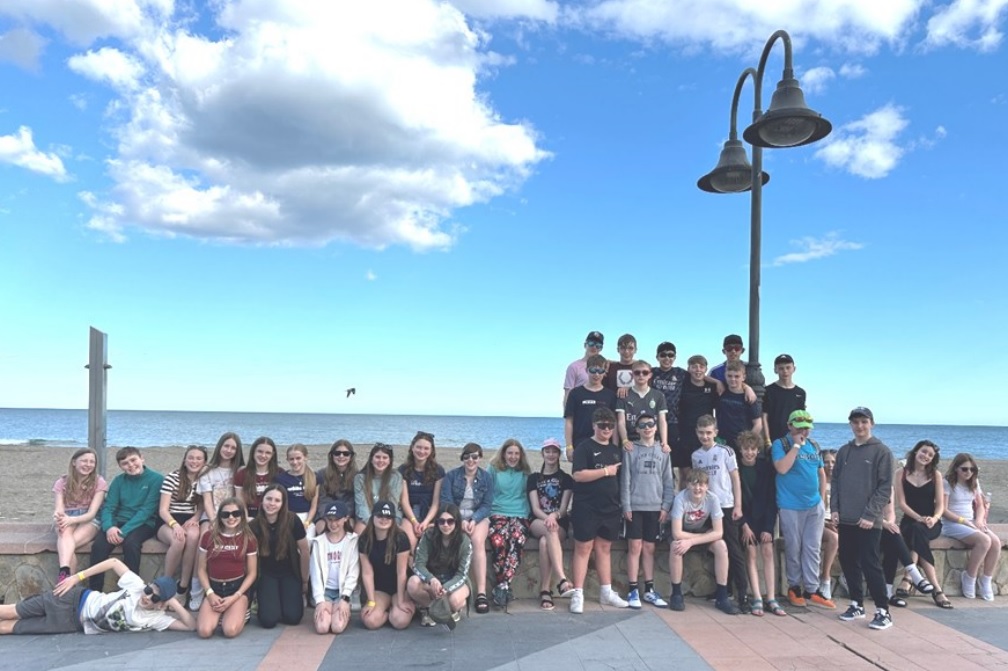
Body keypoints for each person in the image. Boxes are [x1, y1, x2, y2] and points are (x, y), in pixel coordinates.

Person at [0, 558, 195, 635]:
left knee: (9, 628)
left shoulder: (156, 619)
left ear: (161, 604)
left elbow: (190, 626)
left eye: (155, 598)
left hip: (72, 623)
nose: (147, 597)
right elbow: (113, 562)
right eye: (149, 590)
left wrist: (173, 602)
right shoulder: (136, 585)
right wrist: (77, 577)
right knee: (11, 611)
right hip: (73, 599)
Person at [831, 407, 894, 631]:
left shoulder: (882, 452)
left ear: (872, 424)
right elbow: (835, 482)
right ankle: (856, 604)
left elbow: (885, 488)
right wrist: (835, 509)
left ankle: (883, 611)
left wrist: (870, 514)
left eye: (864, 422)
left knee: (870, 564)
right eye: (855, 422)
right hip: (845, 518)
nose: (860, 426)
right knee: (848, 560)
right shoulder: (844, 451)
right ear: (851, 424)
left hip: (868, 521)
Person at [569, 406, 629, 613]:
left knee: (604, 548)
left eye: (610, 426)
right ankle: (578, 593)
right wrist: (605, 471)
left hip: (610, 508)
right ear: (594, 425)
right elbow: (578, 475)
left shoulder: (615, 451)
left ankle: (606, 592)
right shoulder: (584, 447)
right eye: (602, 425)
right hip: (586, 507)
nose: (606, 429)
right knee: (583, 548)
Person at [771, 410, 833, 609]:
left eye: (807, 428)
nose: (803, 431)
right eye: (799, 427)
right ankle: (794, 587)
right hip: (790, 505)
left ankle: (812, 589)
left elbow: (821, 472)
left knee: (812, 547)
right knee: (794, 547)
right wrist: (796, 446)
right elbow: (781, 468)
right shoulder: (781, 444)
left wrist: (821, 500)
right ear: (790, 426)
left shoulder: (814, 445)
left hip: (813, 505)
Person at [691, 415, 746, 613]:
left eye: (708, 433)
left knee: (734, 549)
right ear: (697, 433)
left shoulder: (725, 451)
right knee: (717, 549)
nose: (705, 436)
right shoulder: (696, 455)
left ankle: (743, 594)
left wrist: (738, 505)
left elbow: (735, 478)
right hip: (707, 508)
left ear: (715, 432)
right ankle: (724, 589)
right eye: (701, 433)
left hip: (726, 505)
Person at [89, 447, 163, 591]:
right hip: (118, 521)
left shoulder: (156, 479)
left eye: (133, 460)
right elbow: (109, 507)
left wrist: (123, 532)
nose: (131, 465)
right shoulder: (119, 481)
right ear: (120, 466)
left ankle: (131, 591)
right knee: (99, 546)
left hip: (144, 523)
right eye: (125, 463)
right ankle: (95, 591)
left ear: (142, 458)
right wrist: (109, 527)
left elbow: (146, 511)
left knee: (131, 544)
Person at [621, 412, 675, 609]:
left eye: (650, 424)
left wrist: (666, 506)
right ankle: (633, 589)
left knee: (649, 548)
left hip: (655, 507)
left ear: (656, 427)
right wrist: (626, 505)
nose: (647, 428)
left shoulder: (664, 451)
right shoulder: (630, 450)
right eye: (642, 425)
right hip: (635, 506)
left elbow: (668, 481)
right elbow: (625, 480)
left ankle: (649, 589)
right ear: (637, 429)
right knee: (634, 547)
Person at [666, 470, 735, 614]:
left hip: (699, 531)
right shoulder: (680, 499)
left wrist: (691, 542)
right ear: (687, 485)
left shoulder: (713, 499)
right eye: (694, 484)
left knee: (721, 546)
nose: (697, 488)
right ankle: (676, 594)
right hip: (683, 530)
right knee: (676, 546)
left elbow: (719, 532)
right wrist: (696, 538)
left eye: (701, 485)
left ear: (707, 486)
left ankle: (722, 596)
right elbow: (676, 533)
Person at [894, 440, 950, 608]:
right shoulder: (900, 473)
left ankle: (908, 578)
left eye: (930, 455)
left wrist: (935, 518)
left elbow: (940, 505)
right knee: (916, 530)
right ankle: (937, 589)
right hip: (910, 521)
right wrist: (918, 517)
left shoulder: (935, 475)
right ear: (916, 451)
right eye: (924, 451)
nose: (926, 456)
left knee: (918, 532)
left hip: (932, 523)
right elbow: (901, 503)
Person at [440, 442, 494, 613]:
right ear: (462, 458)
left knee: (477, 541)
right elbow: (446, 501)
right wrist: (459, 520)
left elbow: (487, 505)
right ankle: (449, 586)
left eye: (474, 457)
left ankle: (481, 593)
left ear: (480, 458)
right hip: (455, 516)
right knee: (450, 539)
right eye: (467, 457)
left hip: (478, 517)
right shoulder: (451, 476)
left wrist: (474, 520)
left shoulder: (486, 478)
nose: (471, 460)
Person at [192, 431, 244, 611]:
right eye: (226, 446)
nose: (229, 450)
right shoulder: (208, 471)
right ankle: (197, 589)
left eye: (233, 448)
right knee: (204, 539)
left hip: (234, 516)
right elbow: (207, 500)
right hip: (212, 515)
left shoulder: (239, 471)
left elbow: (240, 498)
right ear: (220, 447)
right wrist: (214, 520)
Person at [736, 431, 785, 616]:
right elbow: (733, 501)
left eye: (752, 449)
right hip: (745, 519)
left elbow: (772, 499)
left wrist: (768, 528)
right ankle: (757, 596)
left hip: (764, 516)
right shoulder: (736, 469)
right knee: (750, 552)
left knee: (767, 551)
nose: (749, 452)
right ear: (740, 450)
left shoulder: (766, 468)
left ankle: (771, 597)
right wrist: (744, 525)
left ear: (758, 450)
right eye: (746, 449)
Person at [196, 497, 258, 638]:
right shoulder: (208, 536)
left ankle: (240, 611)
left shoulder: (249, 538)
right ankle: (223, 613)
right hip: (214, 588)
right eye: (226, 514)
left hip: (237, 588)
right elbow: (201, 569)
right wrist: (210, 593)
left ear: (242, 515)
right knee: (204, 631)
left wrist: (236, 596)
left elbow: (252, 573)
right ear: (220, 516)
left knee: (230, 631)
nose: (231, 518)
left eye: (236, 513)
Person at [941, 453, 1001, 600]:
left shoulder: (974, 482)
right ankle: (969, 577)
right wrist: (964, 521)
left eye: (972, 469)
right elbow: (944, 510)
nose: (969, 472)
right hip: (953, 523)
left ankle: (985, 580)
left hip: (972, 521)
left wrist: (979, 520)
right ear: (956, 468)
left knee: (995, 542)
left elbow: (980, 505)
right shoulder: (947, 483)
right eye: (965, 469)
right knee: (984, 541)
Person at [251, 485, 310, 628]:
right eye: (269, 499)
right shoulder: (254, 525)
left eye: (277, 500)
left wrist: (304, 580)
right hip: (267, 574)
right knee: (268, 620)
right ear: (262, 500)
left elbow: (304, 551)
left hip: (289, 573)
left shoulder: (293, 520)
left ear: (283, 504)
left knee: (293, 617)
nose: (272, 503)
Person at [407, 503, 473, 630]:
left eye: (450, 521)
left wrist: (446, 588)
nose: (445, 525)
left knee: (456, 601)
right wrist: (431, 579)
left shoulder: (464, 541)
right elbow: (418, 564)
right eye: (441, 521)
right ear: (437, 522)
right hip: (432, 580)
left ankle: (446, 610)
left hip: (454, 581)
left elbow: (462, 575)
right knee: (412, 583)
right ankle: (433, 610)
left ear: (457, 522)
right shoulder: (428, 535)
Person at [527, 438, 575, 610]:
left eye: (554, 451)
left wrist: (554, 516)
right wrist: (547, 518)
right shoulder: (533, 478)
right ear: (542, 453)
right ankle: (562, 579)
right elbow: (535, 508)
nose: (551, 455)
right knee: (549, 530)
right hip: (538, 521)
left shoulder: (566, 479)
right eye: (547, 451)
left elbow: (564, 508)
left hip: (559, 522)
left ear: (559, 454)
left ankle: (545, 590)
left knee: (545, 542)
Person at [156, 445, 206, 602]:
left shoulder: (204, 480)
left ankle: (183, 587)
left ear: (204, 462)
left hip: (190, 518)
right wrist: (175, 525)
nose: (194, 461)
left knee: (193, 537)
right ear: (184, 460)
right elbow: (163, 510)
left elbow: (202, 506)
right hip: (168, 520)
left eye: (198, 458)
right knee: (179, 540)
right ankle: (165, 583)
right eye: (191, 458)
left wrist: (195, 518)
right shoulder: (172, 478)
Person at [487, 438, 532, 608]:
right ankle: (504, 586)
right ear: (503, 454)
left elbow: (528, 495)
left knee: (517, 539)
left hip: (520, 512)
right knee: (498, 541)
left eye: (516, 454)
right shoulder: (493, 469)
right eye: (510, 453)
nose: (513, 457)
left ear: (521, 456)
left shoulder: (525, 472)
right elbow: (487, 492)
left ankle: (502, 585)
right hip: (497, 511)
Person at [52, 448, 108, 583]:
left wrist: (72, 520)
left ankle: (64, 579)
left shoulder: (99, 482)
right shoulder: (61, 482)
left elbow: (92, 513)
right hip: (67, 516)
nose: (88, 465)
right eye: (84, 461)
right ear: (74, 462)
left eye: (92, 462)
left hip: (89, 519)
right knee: (65, 537)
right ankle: (67, 575)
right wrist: (58, 517)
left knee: (67, 545)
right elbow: (59, 508)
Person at [358, 500, 415, 629]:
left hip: (399, 587)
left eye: (388, 517)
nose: (384, 519)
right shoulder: (365, 539)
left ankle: (398, 608)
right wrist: (371, 601)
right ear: (373, 516)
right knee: (370, 621)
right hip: (380, 588)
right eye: (380, 516)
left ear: (393, 519)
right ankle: (387, 611)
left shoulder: (401, 538)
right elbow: (367, 573)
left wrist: (400, 601)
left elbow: (401, 573)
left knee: (400, 621)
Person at [309, 501, 360, 635]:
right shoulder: (319, 542)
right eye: (330, 519)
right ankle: (329, 609)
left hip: (341, 592)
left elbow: (353, 572)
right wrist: (320, 600)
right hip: (325, 591)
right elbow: (315, 574)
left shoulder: (352, 540)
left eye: (337, 519)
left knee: (337, 627)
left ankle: (340, 608)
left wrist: (345, 598)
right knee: (322, 628)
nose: (333, 524)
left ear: (345, 519)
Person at [564, 353, 616, 462]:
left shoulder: (610, 395)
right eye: (593, 370)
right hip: (580, 444)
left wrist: (615, 447)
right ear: (586, 370)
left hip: (604, 445)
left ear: (605, 373)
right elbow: (569, 421)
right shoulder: (575, 393)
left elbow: (614, 424)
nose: (596, 374)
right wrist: (569, 446)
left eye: (600, 371)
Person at [675, 355, 719, 485]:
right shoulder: (682, 384)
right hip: (685, 435)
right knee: (685, 474)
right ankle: (684, 498)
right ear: (689, 369)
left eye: (701, 366)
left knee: (705, 474)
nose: (698, 369)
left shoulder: (712, 387)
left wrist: (718, 382)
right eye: (694, 366)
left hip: (704, 436)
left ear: (706, 369)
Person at [398, 431, 445, 550]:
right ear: (412, 448)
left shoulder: (438, 471)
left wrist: (425, 522)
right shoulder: (403, 470)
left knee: (431, 542)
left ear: (431, 451)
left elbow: (436, 502)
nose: (422, 451)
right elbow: (404, 501)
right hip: (409, 514)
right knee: (409, 542)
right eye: (418, 447)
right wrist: (414, 522)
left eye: (426, 448)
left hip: (430, 513)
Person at [616, 359, 669, 452]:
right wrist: (625, 441)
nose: (641, 375)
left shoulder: (658, 395)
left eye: (645, 372)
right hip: (631, 442)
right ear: (632, 375)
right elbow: (621, 422)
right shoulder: (624, 395)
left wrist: (664, 443)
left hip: (653, 441)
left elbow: (662, 421)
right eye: (637, 372)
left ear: (650, 375)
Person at [354, 443, 404, 533]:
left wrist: (384, 522)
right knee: (360, 529)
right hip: (368, 518)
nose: (381, 460)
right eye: (377, 457)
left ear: (389, 461)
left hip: (390, 516)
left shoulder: (396, 477)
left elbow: (393, 504)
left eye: (385, 458)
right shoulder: (360, 478)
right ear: (371, 459)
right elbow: (362, 506)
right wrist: (373, 524)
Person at [650, 342, 687, 463]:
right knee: (655, 456)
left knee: (671, 457)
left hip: (673, 421)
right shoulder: (651, 372)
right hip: (653, 421)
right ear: (657, 357)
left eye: (670, 355)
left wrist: (717, 382)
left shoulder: (680, 373)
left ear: (675, 357)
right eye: (663, 355)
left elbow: (700, 376)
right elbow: (635, 368)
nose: (667, 358)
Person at [715, 361, 762, 451]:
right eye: (729, 376)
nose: (733, 379)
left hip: (741, 444)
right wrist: (717, 381)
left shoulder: (750, 397)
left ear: (743, 377)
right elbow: (703, 377)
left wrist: (747, 443)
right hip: (722, 442)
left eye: (737, 376)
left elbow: (758, 424)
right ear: (725, 375)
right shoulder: (721, 390)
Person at [761, 354, 807, 447]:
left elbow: (801, 418)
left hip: (793, 440)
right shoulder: (768, 391)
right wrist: (767, 441)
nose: (785, 371)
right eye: (781, 368)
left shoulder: (800, 393)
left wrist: (802, 439)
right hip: (773, 439)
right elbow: (764, 417)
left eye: (788, 367)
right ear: (775, 370)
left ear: (794, 369)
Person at [314, 439, 358, 535]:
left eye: (346, 454)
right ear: (332, 455)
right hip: (326, 514)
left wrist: (342, 515)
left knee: (351, 528)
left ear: (351, 456)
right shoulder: (321, 474)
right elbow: (322, 499)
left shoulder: (357, 476)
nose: (341, 456)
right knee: (321, 528)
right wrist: (330, 516)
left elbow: (353, 500)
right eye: (337, 453)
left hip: (347, 515)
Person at [276, 444, 319, 536]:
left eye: (298, 458)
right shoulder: (281, 479)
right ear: (287, 460)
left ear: (305, 457)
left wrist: (307, 523)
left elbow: (313, 506)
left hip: (307, 517)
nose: (295, 462)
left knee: (307, 540)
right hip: (288, 517)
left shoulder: (314, 477)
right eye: (291, 459)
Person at [235, 436, 280, 518]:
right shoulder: (242, 474)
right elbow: (241, 503)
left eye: (268, 453)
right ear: (253, 452)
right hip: (250, 516)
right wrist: (246, 520)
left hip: (273, 516)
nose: (263, 455)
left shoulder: (279, 473)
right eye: (260, 451)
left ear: (272, 455)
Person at [563, 330, 604, 408]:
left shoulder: (604, 367)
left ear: (601, 349)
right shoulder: (574, 367)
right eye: (591, 343)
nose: (594, 347)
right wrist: (567, 414)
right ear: (585, 345)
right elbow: (568, 395)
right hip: (580, 410)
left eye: (598, 345)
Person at [819, 449, 839, 599]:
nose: (830, 465)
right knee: (834, 538)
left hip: (836, 521)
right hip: (819, 522)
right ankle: (825, 578)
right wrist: (826, 523)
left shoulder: (841, 483)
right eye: (826, 462)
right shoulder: (818, 482)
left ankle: (848, 575)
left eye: (833, 462)